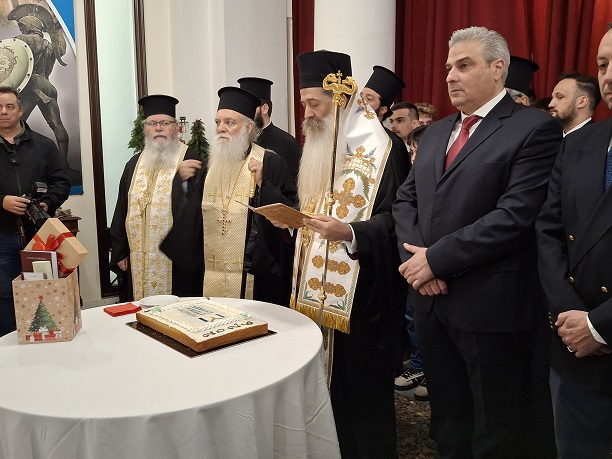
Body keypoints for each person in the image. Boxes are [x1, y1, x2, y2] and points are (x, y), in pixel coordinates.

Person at [393, 26, 562, 458]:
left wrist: (436, 261)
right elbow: (406, 201)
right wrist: (418, 264)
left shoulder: (534, 128)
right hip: (430, 301)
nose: (451, 75)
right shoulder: (435, 133)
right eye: (449, 67)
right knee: (448, 420)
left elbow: (515, 215)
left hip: (490, 305)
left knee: (496, 426)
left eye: (464, 65)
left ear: (497, 68)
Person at [276, 50, 409, 458]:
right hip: (315, 292)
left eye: (313, 103)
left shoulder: (385, 150)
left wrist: (350, 232)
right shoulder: (321, 143)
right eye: (304, 104)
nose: (307, 114)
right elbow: (318, 208)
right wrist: (293, 222)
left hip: (363, 297)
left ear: (339, 99)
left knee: (359, 393)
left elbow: (398, 221)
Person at [536, 27, 612, 458]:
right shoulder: (579, 144)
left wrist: (600, 325)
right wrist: (571, 316)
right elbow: (548, 232)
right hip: (574, 348)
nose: (609, 76)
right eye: (602, 65)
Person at [162, 86, 297, 306]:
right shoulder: (208, 166)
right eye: (218, 122)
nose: (221, 129)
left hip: (254, 280)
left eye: (229, 122)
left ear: (248, 127)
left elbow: (290, 216)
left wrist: (264, 185)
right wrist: (182, 185)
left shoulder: (271, 163)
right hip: (209, 275)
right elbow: (191, 222)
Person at [110, 94, 201, 301]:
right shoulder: (133, 164)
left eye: (165, 123)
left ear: (176, 127)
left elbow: (196, 214)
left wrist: (180, 183)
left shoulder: (190, 158)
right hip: (138, 259)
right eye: (152, 123)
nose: (158, 128)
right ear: (145, 129)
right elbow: (121, 208)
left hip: (175, 261)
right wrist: (120, 251)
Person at [0, 86, 69, 336]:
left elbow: (61, 182)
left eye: (9, 106)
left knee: (44, 290)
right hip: (2, 235)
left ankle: (44, 342)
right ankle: (8, 346)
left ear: (20, 110)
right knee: (4, 295)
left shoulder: (45, 145)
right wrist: (2, 201)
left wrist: (47, 203)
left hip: (39, 236)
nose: (4, 112)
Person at [237, 77, 301, 181]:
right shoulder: (239, 142)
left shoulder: (287, 144)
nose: (245, 113)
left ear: (265, 108)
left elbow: (292, 186)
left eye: (250, 107)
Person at [548, 71, 600, 136]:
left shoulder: (597, 139)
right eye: (553, 98)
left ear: (582, 102)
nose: (550, 104)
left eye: (560, 97)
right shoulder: (550, 136)